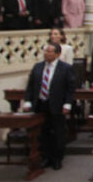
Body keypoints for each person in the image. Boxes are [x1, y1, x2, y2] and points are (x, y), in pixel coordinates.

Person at [21, 43, 76, 171]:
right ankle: (45, 157)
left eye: (50, 52)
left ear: (57, 54)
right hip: (40, 104)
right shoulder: (37, 67)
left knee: (57, 132)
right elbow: (31, 86)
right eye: (45, 51)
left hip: (57, 104)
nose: (46, 54)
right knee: (43, 132)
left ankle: (57, 159)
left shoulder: (65, 68)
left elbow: (70, 88)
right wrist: (28, 101)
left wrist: (67, 104)